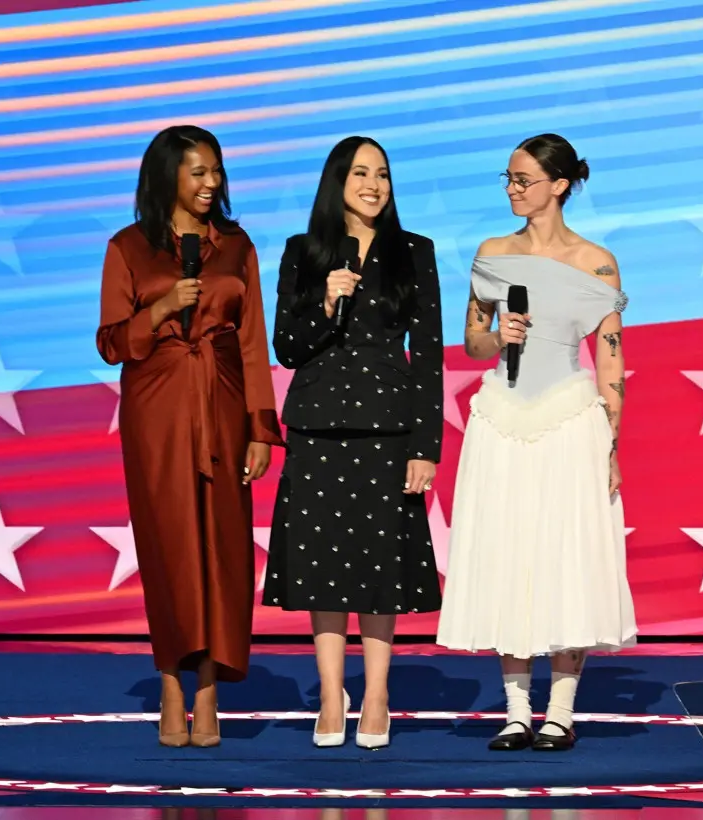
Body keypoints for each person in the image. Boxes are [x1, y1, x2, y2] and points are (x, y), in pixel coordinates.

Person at [436, 133, 637, 752]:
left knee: (565, 553)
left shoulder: (596, 262)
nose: (513, 189)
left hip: (568, 419)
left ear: (558, 184)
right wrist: (500, 338)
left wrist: (611, 444)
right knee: (508, 551)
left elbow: (610, 360)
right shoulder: (492, 254)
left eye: (523, 179)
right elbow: (472, 340)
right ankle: (516, 710)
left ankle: (561, 711)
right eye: (508, 178)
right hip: (501, 416)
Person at [95, 124, 284, 748]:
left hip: (225, 405)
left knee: (224, 546)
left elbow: (254, 345)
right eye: (198, 172)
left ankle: (208, 687)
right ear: (167, 178)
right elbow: (110, 343)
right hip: (158, 410)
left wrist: (261, 428)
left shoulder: (236, 245)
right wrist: (160, 309)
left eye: (216, 171)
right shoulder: (127, 247)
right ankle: (170, 684)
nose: (211, 184)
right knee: (170, 544)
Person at [262, 136, 445, 750]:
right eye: (361, 173)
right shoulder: (302, 252)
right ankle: (331, 691)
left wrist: (427, 445)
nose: (374, 184)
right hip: (317, 426)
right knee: (322, 567)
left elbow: (430, 356)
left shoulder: (414, 252)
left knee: (380, 566)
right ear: (336, 180)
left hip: (388, 430)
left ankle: (376, 695)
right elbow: (286, 347)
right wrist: (325, 300)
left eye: (383, 174)